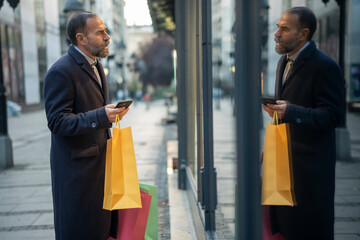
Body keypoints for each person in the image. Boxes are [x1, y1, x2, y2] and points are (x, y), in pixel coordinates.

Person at [44, 11, 129, 240]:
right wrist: (101, 116)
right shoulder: (61, 71)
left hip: (100, 171)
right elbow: (57, 121)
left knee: (102, 231)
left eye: (106, 31)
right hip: (78, 178)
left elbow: (90, 110)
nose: (107, 36)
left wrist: (110, 113)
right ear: (81, 38)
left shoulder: (95, 65)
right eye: (100, 32)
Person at [262, 7, 344, 240]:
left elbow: (332, 116)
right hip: (283, 164)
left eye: (284, 29)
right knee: (285, 229)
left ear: (303, 34)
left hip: (310, 172)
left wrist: (292, 111)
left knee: (309, 229)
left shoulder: (325, 66)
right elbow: (286, 110)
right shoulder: (283, 62)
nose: (276, 33)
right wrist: (270, 147)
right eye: (277, 27)